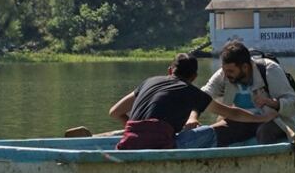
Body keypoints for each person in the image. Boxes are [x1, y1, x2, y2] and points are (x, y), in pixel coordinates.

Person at [108, 53, 277, 150]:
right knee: (211, 131)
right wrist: (261, 119)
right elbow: (231, 113)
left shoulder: (149, 81)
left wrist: (138, 132)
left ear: (170, 70)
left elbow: (115, 112)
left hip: (128, 143)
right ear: (194, 77)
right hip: (163, 146)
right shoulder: (190, 91)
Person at [186, 40, 295, 147]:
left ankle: (265, 165)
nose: (226, 75)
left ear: (245, 67)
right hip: (243, 119)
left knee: (264, 132)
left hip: (275, 120)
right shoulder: (224, 73)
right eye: (224, 70)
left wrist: (272, 103)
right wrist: (192, 117)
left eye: (231, 71)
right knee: (210, 134)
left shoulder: (269, 70)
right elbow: (202, 96)